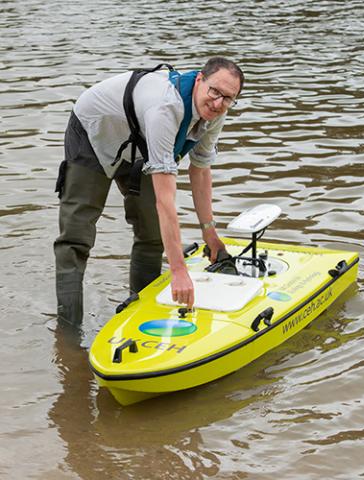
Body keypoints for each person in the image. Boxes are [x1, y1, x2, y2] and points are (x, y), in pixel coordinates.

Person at [54, 56, 244, 327]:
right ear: (200, 80)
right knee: (76, 238)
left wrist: (210, 234)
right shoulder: (165, 108)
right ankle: (68, 331)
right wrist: (178, 271)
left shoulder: (214, 113)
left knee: (152, 234)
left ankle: (141, 314)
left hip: (140, 142)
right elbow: (165, 201)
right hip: (93, 132)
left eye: (228, 98)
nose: (218, 103)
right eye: (215, 92)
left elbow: (200, 170)